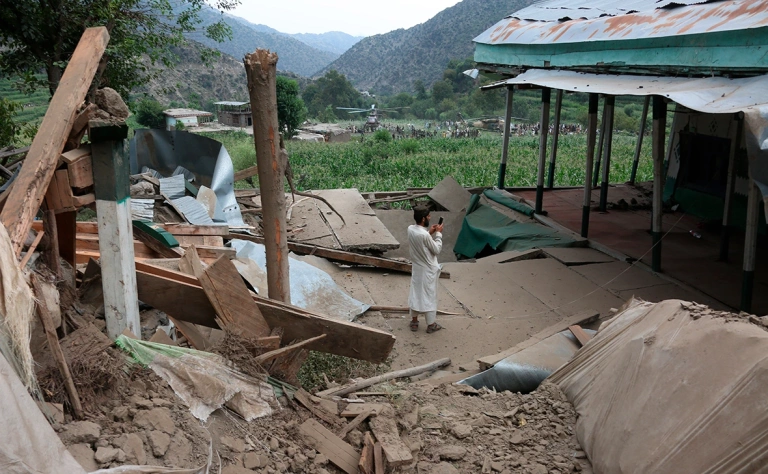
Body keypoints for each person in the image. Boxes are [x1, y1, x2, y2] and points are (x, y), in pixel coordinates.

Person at [408, 205, 444, 333]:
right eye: (428, 216)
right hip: (428, 270)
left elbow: (422, 240)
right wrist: (438, 234)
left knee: (415, 293)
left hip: (417, 268)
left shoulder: (410, 229)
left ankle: (414, 321)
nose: (430, 218)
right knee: (429, 296)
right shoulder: (424, 235)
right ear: (423, 218)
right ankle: (431, 324)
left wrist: (430, 233)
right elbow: (436, 249)